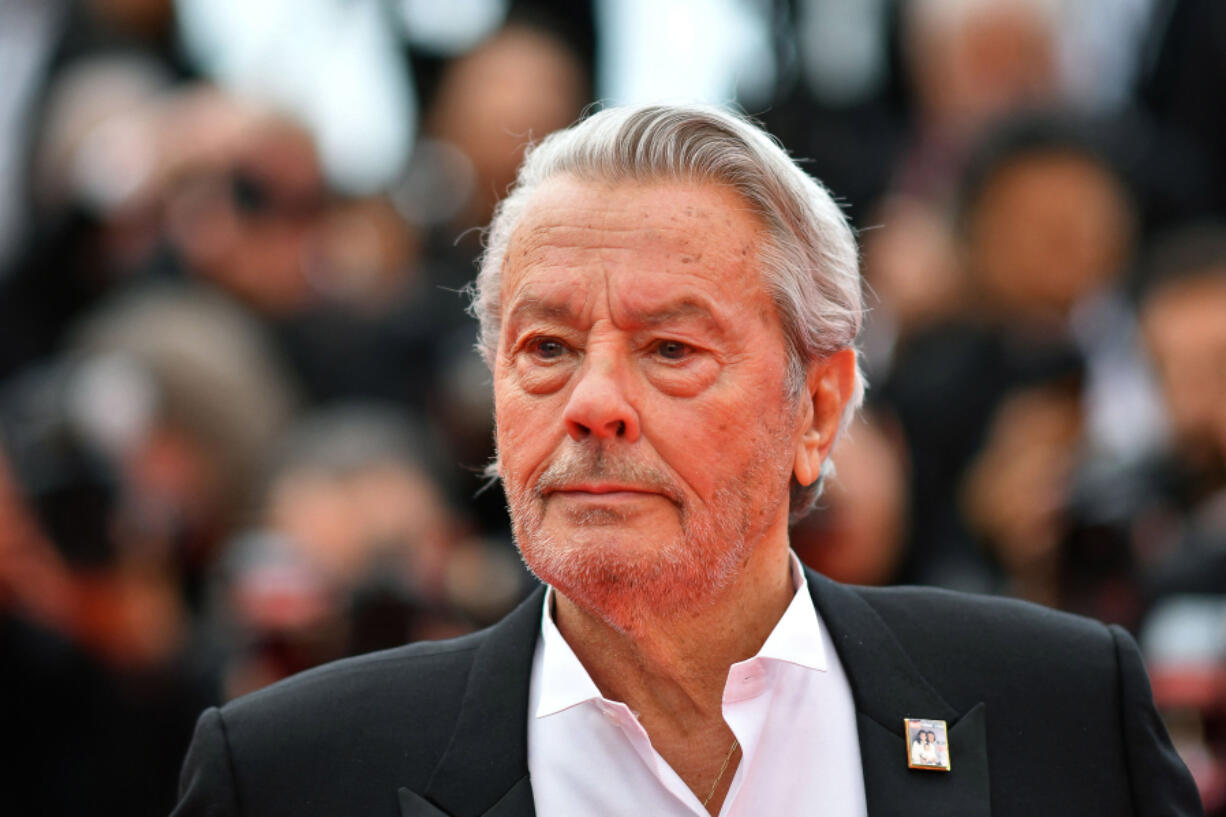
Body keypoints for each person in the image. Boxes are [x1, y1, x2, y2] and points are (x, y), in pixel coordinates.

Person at [171, 104, 1200, 817]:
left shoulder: (1059, 707)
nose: (594, 405)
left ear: (820, 407)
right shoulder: (289, 774)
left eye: (670, 349)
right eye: (546, 349)